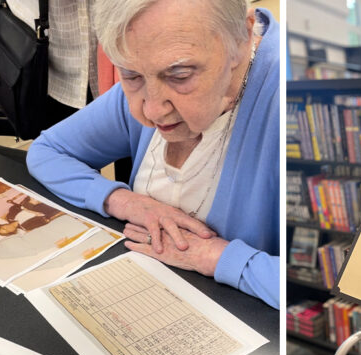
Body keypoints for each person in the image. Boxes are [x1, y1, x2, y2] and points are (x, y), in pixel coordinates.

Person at [27, 0, 279, 308]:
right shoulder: (150, 63)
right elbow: (47, 151)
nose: (151, 110)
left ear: (243, 36)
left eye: (180, 75)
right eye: (131, 75)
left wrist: (220, 257)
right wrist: (128, 202)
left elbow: (345, 287)